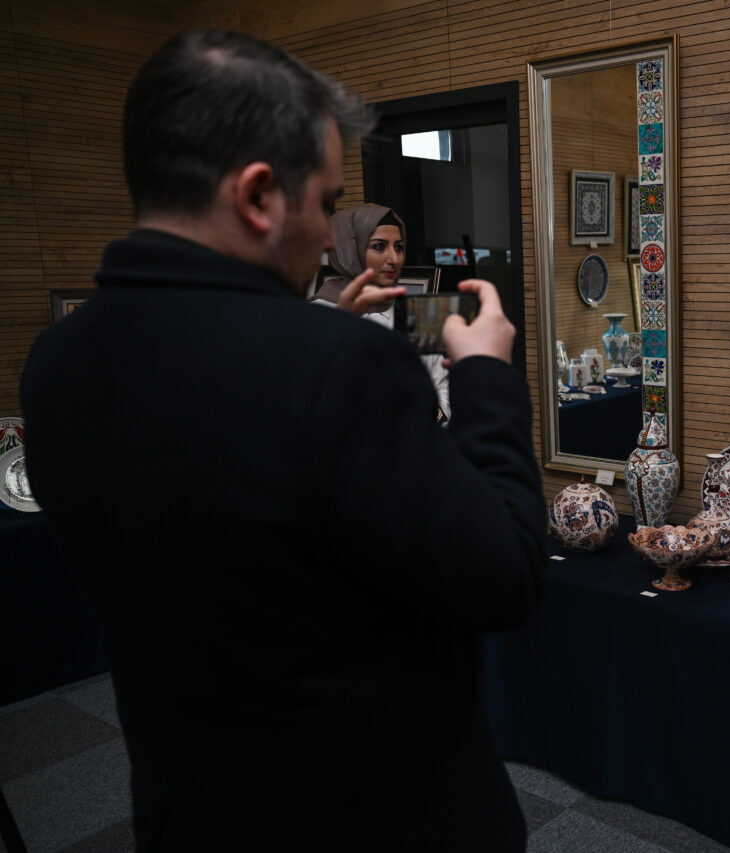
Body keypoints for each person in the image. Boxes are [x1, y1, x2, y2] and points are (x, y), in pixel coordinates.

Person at [20, 29, 545, 852]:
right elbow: (504, 577)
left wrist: (324, 332)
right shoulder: (342, 368)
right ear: (261, 195)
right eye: (326, 203)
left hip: (196, 811)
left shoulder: (56, 359)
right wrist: (486, 379)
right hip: (377, 817)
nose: (331, 237)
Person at [311, 203, 452, 422]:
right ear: (350, 250)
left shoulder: (416, 311)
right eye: (379, 246)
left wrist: (432, 416)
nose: (393, 259)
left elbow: (442, 384)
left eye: (399, 247)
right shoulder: (318, 316)